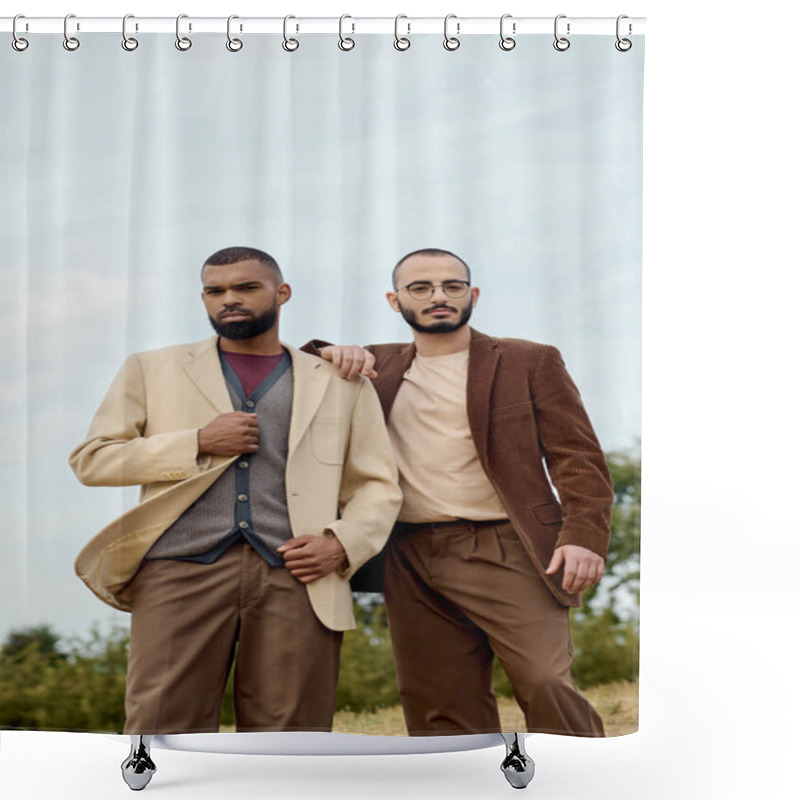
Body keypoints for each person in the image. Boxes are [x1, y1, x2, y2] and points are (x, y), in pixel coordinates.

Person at [70, 246, 402, 738]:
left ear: (280, 293)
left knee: (292, 732)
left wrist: (340, 543)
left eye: (246, 288)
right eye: (215, 291)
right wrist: (197, 442)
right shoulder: (150, 368)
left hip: (296, 573)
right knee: (161, 727)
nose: (229, 300)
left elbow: (378, 483)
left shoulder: (339, 381)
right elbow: (92, 459)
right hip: (178, 569)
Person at [312, 247, 614, 736]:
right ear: (395, 301)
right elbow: (297, 369)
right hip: (408, 554)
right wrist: (326, 350)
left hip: (506, 547)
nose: (439, 297)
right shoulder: (378, 367)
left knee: (546, 681)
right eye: (421, 288)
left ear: (472, 295)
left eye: (453, 287)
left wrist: (581, 534)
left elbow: (577, 458)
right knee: (439, 707)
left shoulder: (528, 360)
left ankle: (586, 777)